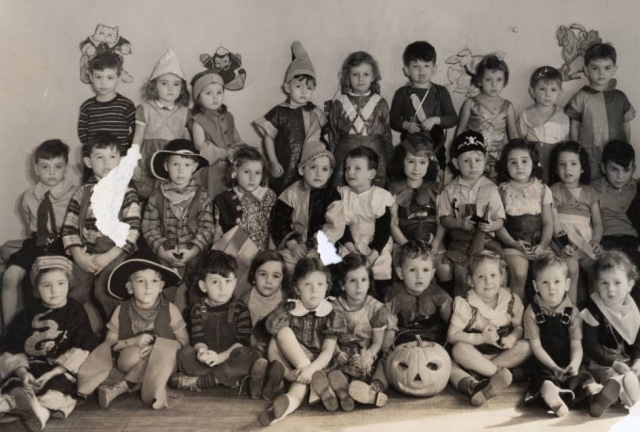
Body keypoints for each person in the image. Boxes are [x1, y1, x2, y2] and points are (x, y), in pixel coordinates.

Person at [77, 259, 188, 410]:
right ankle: (140, 383)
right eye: (141, 281)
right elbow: (109, 343)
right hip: (129, 360)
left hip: (163, 364)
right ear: (130, 287)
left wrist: (158, 349)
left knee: (159, 359)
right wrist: (132, 342)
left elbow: (184, 341)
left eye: (154, 281)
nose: (148, 286)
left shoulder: (170, 309)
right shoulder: (120, 311)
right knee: (131, 357)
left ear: (161, 286)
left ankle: (120, 387)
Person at [0, 256, 96, 432]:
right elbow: (12, 345)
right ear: (36, 288)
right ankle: (12, 402)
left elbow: (84, 345)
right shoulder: (27, 313)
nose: (55, 291)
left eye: (61, 283)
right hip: (31, 365)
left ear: (69, 284)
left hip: (59, 368)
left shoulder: (75, 311)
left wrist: (54, 372)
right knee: (15, 383)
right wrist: (23, 373)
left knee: (56, 390)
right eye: (46, 285)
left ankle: (40, 413)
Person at [61, 132, 140, 333]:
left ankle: (118, 334)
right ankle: (74, 333)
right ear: (88, 161)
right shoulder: (82, 193)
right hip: (85, 251)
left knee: (105, 290)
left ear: (120, 161)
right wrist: (79, 256)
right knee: (74, 290)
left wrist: (108, 257)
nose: (106, 163)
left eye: (112, 157)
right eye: (99, 157)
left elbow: (132, 230)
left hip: (115, 250)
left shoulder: (127, 192)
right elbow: (69, 227)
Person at [259, 257, 347, 425]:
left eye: (320, 284)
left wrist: (310, 370)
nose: (314, 290)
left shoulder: (331, 313)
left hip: (319, 366)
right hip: (295, 366)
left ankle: (291, 401)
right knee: (283, 332)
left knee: (300, 386)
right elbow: (273, 349)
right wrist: (286, 373)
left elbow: (328, 351)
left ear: (327, 287)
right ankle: (278, 411)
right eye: (307, 284)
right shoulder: (287, 311)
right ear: (296, 288)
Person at [2, 140, 76, 330]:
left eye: (57, 167)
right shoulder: (29, 196)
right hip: (36, 242)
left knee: (51, 279)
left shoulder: (76, 194)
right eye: (45, 167)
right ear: (36, 169)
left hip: (62, 243)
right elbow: (30, 221)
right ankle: (12, 329)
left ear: (66, 169)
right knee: (10, 276)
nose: (51, 173)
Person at [169, 251, 260, 393]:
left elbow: (242, 342)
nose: (222, 288)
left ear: (235, 283)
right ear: (203, 285)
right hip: (207, 361)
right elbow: (198, 338)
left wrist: (220, 358)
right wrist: (201, 352)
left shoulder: (240, 308)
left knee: (250, 355)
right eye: (215, 282)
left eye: (227, 281)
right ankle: (231, 379)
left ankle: (203, 381)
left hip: (229, 356)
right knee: (184, 354)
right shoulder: (197, 309)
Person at [448, 251, 531, 404]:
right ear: (471, 280)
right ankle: (497, 374)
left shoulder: (511, 300)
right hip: (475, 355)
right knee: (458, 349)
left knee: (526, 346)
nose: (488, 282)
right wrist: (481, 338)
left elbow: (519, 327)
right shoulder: (466, 303)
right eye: (481, 277)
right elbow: (452, 336)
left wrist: (512, 338)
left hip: (502, 355)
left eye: (493, 275)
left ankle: (484, 374)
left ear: (502, 277)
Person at [523, 253, 600, 417]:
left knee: (582, 376)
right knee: (543, 376)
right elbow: (536, 347)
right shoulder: (531, 311)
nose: (551, 288)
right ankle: (550, 392)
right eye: (545, 282)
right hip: (544, 361)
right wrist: (553, 367)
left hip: (567, 359)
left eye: (557, 282)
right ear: (536, 286)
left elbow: (576, 345)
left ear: (567, 284)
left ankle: (595, 397)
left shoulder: (572, 311)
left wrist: (574, 364)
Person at [142, 139, 214, 311]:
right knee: (162, 284)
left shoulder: (202, 196)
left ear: (194, 167)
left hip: (193, 251)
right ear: (166, 166)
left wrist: (194, 249)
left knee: (199, 284)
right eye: (175, 164)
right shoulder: (156, 196)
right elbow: (149, 228)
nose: (181, 170)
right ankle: (165, 315)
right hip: (166, 251)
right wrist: (162, 250)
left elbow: (207, 227)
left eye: (187, 165)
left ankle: (197, 318)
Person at [435, 131, 505, 295]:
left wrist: (492, 225)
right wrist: (459, 223)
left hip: (487, 242)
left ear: (485, 160)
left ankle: (492, 310)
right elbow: (444, 219)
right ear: (456, 163)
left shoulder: (492, 189)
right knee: (462, 275)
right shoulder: (450, 190)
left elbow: (500, 220)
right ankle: (462, 309)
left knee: (496, 272)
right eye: (466, 161)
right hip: (460, 244)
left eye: (478, 160)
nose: (473, 166)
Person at [254, 41, 326, 195]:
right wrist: (273, 161)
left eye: (309, 87)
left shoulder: (315, 112)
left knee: (305, 195)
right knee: (282, 194)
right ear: (287, 87)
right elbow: (268, 138)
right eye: (298, 86)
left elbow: (323, 138)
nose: (303, 91)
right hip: (285, 165)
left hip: (309, 166)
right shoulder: (279, 112)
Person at [325, 253, 391, 408]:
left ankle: (365, 391)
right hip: (342, 353)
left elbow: (377, 343)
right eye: (352, 281)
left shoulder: (376, 308)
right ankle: (337, 392)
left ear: (369, 282)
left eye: (363, 280)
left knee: (371, 372)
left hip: (365, 354)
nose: (359, 286)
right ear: (342, 284)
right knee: (335, 372)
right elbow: (330, 337)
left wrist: (367, 356)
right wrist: (337, 352)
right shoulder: (335, 307)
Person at [580, 251, 640, 416]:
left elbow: (638, 342)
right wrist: (614, 363)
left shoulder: (634, 309)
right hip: (603, 361)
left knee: (635, 372)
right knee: (609, 376)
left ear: (629, 284)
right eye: (604, 283)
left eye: (617, 283)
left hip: (628, 361)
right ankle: (607, 395)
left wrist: (637, 361)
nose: (610, 289)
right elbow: (591, 345)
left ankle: (631, 389)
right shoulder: (593, 308)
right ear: (596, 284)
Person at [271, 141, 345, 274]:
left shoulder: (332, 195)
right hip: (295, 245)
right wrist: (292, 244)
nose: (318, 174)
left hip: (321, 246)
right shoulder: (291, 192)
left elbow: (336, 226)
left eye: (324, 169)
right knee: (282, 266)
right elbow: (279, 221)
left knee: (323, 268)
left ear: (330, 173)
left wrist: (318, 247)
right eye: (312, 167)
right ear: (301, 169)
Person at [565, 43, 635, 181]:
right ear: (586, 70)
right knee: (593, 182)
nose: (601, 73)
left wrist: (627, 146)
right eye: (595, 68)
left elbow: (626, 124)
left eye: (607, 68)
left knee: (616, 181)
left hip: (616, 152)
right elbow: (574, 125)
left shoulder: (620, 97)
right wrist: (576, 149)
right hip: (590, 151)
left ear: (614, 69)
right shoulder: (581, 96)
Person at [213, 147, 277, 295]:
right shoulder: (223, 198)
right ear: (235, 172)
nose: (252, 178)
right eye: (246, 172)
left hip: (259, 250)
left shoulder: (268, 195)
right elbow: (218, 231)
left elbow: (273, 228)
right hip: (231, 251)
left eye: (257, 173)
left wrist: (271, 254)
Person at [495, 140, 554, 302]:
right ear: (505, 166)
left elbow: (548, 222)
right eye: (513, 162)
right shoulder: (502, 190)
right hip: (513, 245)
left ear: (533, 163)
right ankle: (518, 316)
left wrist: (542, 245)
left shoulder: (542, 189)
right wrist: (514, 244)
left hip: (539, 244)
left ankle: (547, 312)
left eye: (524, 161)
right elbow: (498, 225)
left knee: (549, 271)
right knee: (520, 273)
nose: (519, 166)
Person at [388, 134, 448, 286]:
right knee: (403, 269)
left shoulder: (436, 189)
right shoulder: (393, 189)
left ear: (429, 164)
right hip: (403, 242)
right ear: (402, 161)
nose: (416, 168)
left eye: (422, 162)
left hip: (432, 243)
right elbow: (392, 224)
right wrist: (407, 246)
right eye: (411, 161)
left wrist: (435, 244)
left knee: (444, 268)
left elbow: (442, 221)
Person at [131, 49, 191, 198]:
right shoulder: (145, 109)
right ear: (154, 86)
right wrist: (132, 161)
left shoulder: (184, 112)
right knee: (148, 195)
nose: (170, 89)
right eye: (164, 83)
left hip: (173, 159)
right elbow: (137, 138)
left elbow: (186, 141)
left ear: (182, 89)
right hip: (148, 157)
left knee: (169, 194)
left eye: (176, 84)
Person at [549, 141, 603, 304]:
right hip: (565, 243)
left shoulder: (590, 192)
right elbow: (555, 224)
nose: (568, 169)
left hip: (586, 242)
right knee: (571, 269)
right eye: (562, 165)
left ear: (583, 167)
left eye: (573, 164)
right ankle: (571, 312)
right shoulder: (553, 191)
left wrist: (595, 241)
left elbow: (598, 223)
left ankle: (596, 313)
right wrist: (563, 245)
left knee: (596, 269)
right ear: (556, 169)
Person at [390, 41, 458, 170]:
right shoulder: (402, 93)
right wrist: (405, 125)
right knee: (409, 172)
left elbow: (453, 118)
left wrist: (436, 120)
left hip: (435, 144)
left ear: (434, 69)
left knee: (436, 173)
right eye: (416, 66)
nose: (421, 70)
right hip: (409, 145)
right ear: (407, 70)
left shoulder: (441, 92)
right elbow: (393, 120)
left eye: (426, 65)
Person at [339, 146, 395, 299]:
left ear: (371, 173)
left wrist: (371, 258)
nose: (350, 172)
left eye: (357, 168)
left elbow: (384, 232)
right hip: (350, 242)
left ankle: (378, 300)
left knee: (381, 265)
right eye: (347, 168)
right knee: (345, 265)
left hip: (376, 244)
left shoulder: (379, 196)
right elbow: (341, 228)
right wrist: (352, 252)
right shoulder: (342, 194)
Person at [329, 51, 392, 187]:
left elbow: (387, 134)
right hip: (345, 152)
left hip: (376, 151)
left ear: (373, 76)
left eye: (366, 74)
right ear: (347, 77)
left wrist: (388, 157)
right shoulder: (340, 102)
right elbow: (333, 134)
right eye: (355, 74)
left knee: (376, 187)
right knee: (341, 187)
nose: (360, 79)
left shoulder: (380, 102)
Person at [456, 55, 518, 178]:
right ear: (479, 80)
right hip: (473, 158)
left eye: (499, 79)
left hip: (499, 159)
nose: (494, 85)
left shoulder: (508, 106)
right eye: (488, 80)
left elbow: (514, 136)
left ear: (505, 81)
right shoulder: (470, 104)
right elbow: (460, 133)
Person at [78, 52, 136, 182]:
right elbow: (83, 135)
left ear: (119, 78)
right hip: (96, 163)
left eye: (109, 77)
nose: (103, 83)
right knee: (90, 195)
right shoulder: (87, 106)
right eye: (98, 77)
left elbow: (136, 131)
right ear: (91, 77)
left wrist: (125, 150)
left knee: (123, 195)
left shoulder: (126, 105)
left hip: (119, 162)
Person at [242, 251, 293, 400]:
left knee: (280, 361)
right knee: (244, 358)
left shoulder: (285, 300)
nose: (268, 281)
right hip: (252, 346)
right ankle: (255, 381)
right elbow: (240, 326)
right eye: (263, 274)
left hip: (276, 347)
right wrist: (252, 341)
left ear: (283, 279)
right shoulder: (246, 297)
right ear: (253, 276)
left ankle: (273, 384)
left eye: (275, 276)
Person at [190, 71, 245, 198]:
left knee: (231, 196)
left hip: (231, 165)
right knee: (213, 196)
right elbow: (200, 145)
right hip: (212, 169)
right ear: (198, 98)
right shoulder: (198, 120)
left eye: (219, 92)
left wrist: (239, 151)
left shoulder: (228, 116)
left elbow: (236, 138)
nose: (215, 97)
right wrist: (223, 153)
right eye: (209, 93)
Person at [516, 66, 569, 183]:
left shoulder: (565, 114)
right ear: (532, 92)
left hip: (557, 161)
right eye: (542, 89)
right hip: (535, 163)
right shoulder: (525, 115)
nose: (548, 94)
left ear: (560, 93)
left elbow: (567, 141)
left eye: (553, 90)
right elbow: (520, 141)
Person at [593, 140, 639, 265]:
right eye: (614, 169)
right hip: (607, 239)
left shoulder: (636, 186)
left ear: (633, 170)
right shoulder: (594, 189)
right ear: (603, 167)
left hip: (632, 239)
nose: (620, 176)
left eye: (626, 170)